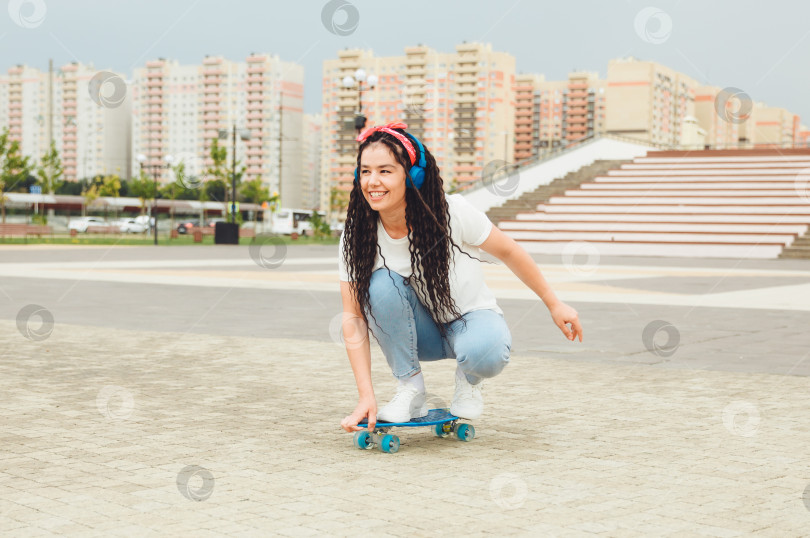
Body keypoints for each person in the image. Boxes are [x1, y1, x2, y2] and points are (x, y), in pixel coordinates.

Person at [338, 122, 583, 433]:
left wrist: (554, 303)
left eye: (385, 171)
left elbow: (509, 251)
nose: (372, 181)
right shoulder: (357, 235)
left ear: (412, 176)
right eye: (365, 171)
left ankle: (469, 380)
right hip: (419, 334)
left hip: (470, 320)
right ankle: (411, 389)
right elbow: (353, 317)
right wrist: (366, 395)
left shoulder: (452, 212)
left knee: (487, 352)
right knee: (379, 285)